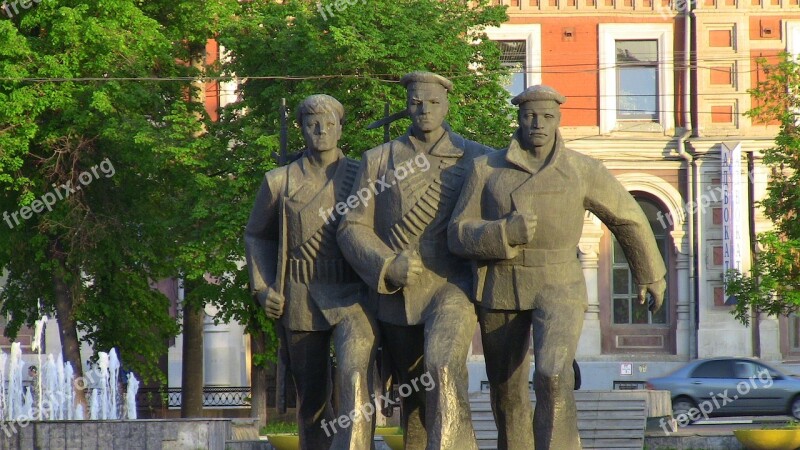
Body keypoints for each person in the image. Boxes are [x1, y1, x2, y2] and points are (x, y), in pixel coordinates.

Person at [448, 85, 667, 450]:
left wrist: (649, 273)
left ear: (558, 120)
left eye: (546, 116)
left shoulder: (582, 169)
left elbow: (627, 217)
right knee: (506, 387)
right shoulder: (486, 168)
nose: (538, 123)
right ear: (518, 119)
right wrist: (502, 233)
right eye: (530, 116)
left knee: (552, 372)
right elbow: (457, 234)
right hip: (502, 283)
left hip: (559, 283)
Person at [337, 71, 492, 450]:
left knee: (442, 364)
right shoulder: (379, 159)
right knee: (415, 396)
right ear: (407, 106)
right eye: (416, 102)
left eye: (434, 102)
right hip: (397, 295)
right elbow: (351, 225)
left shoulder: (477, 157)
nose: (425, 110)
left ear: (447, 105)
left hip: (452, 286)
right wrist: (387, 264)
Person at [245, 94, 378, 450]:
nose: (321, 131)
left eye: (329, 123)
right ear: (302, 129)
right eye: (312, 124)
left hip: (352, 294)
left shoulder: (362, 175)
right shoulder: (280, 181)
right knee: (313, 402)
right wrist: (263, 287)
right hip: (300, 296)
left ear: (340, 128)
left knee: (354, 376)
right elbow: (257, 234)